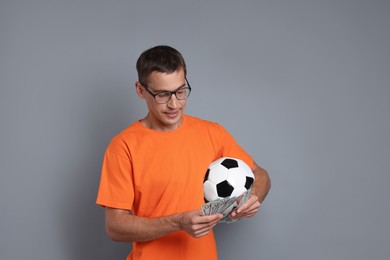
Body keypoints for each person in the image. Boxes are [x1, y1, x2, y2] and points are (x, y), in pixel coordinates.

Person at [96, 45, 271, 260]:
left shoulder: (212, 133)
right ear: (141, 90)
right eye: (162, 94)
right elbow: (115, 227)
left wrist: (254, 198)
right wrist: (177, 222)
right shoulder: (123, 146)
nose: (174, 104)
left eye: (180, 91)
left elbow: (260, 174)